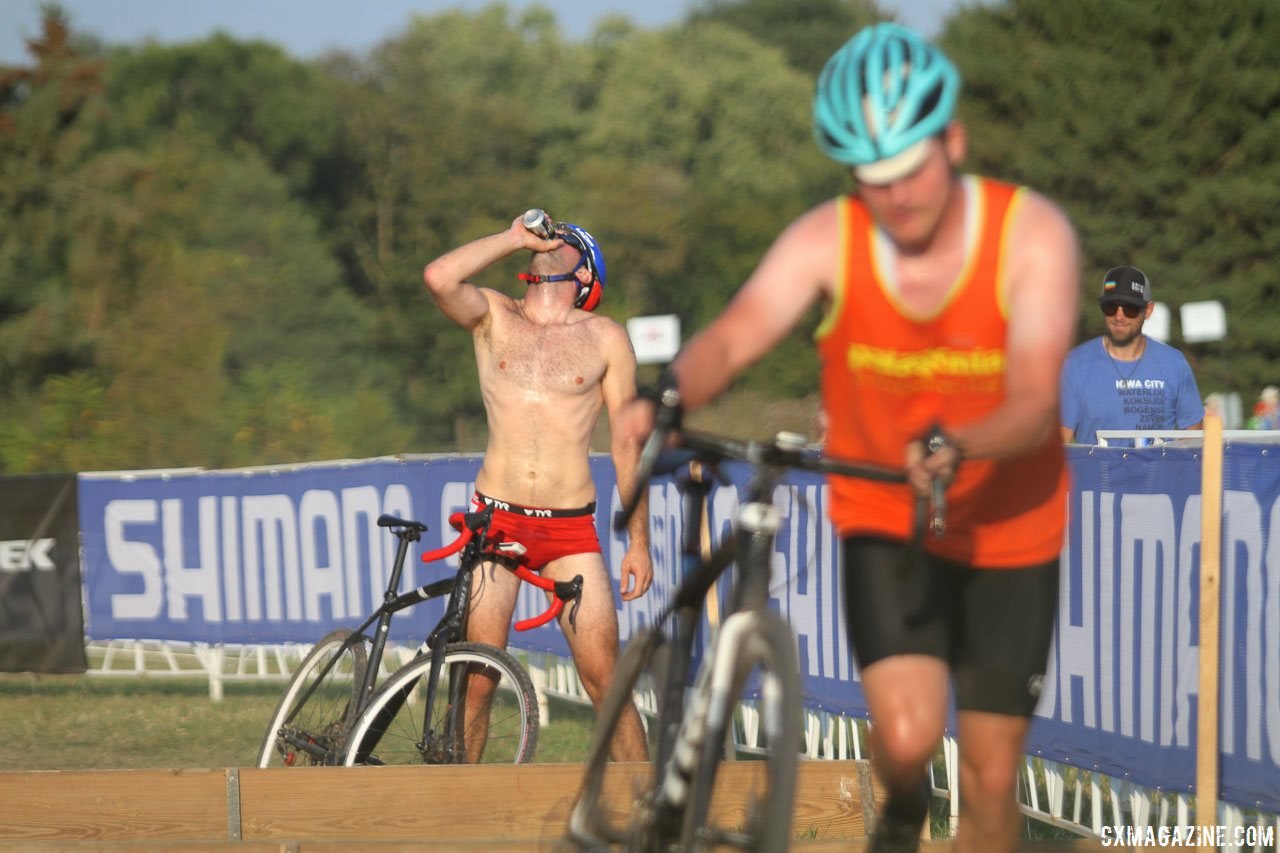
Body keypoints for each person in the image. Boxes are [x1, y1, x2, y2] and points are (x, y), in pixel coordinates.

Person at [618, 22, 1078, 853]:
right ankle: (901, 811)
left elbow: (1038, 401)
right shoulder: (830, 236)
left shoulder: (1029, 235)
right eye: (872, 180)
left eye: (909, 171)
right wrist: (672, 393)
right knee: (904, 744)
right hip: (884, 513)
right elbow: (737, 332)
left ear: (954, 141)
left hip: (1010, 526)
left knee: (991, 774)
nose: (895, 197)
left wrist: (960, 440)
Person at [422, 212, 651, 761]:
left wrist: (638, 541)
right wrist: (511, 238)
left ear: (586, 274)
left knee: (605, 680)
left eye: (568, 242)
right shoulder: (495, 315)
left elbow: (627, 446)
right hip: (494, 521)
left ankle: (651, 816)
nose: (553, 243)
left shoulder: (605, 338)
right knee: (477, 676)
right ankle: (461, 813)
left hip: (569, 531)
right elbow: (438, 278)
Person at [1060, 265, 1204, 445]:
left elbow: (1193, 435)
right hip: (1098, 473)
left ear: (1148, 310)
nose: (1119, 316)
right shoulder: (1075, 364)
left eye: (1130, 308)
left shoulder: (1174, 363)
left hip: (1157, 473)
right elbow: (1060, 439)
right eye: (1111, 307)